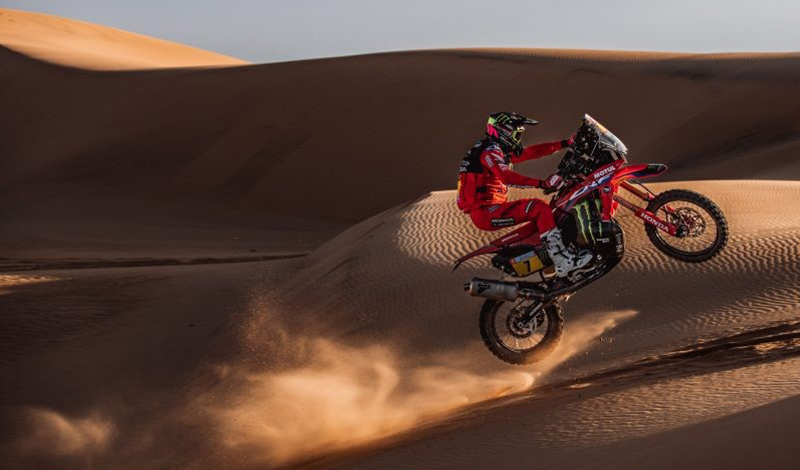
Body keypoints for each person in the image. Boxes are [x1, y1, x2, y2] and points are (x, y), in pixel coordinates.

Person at [456, 112, 592, 278]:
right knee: (539, 208)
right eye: (516, 133)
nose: (518, 138)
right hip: (486, 212)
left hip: (488, 210)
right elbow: (506, 177)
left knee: (547, 214)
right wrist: (542, 183)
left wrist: (565, 143)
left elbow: (531, 152)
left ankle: (547, 262)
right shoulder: (489, 150)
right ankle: (562, 260)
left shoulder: (494, 149)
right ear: (503, 130)